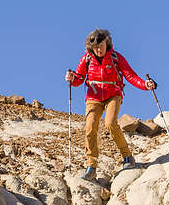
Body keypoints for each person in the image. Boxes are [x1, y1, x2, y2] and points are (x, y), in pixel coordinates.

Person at [65, 28, 156, 180]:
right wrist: (72, 78)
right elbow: (79, 78)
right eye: (95, 47)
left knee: (110, 123)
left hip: (113, 94)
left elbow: (130, 75)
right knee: (89, 127)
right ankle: (91, 165)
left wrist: (145, 85)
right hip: (93, 97)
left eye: (101, 45)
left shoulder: (116, 57)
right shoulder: (86, 59)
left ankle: (127, 157)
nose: (98, 49)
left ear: (107, 42)